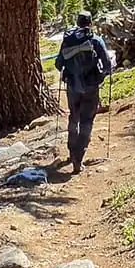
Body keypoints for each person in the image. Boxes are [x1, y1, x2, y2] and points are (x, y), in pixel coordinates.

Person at [54, 10, 114, 172]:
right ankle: (78, 158)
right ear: (90, 23)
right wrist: (101, 76)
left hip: (72, 86)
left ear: (77, 23)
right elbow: (107, 64)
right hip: (91, 86)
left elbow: (59, 64)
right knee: (87, 120)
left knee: (74, 117)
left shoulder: (68, 41)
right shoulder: (95, 40)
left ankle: (72, 151)